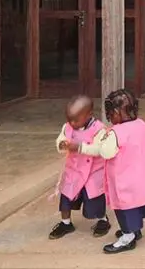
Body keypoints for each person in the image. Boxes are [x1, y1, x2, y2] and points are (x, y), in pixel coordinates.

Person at [66, 89, 145, 254]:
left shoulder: (117, 132)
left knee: (124, 208)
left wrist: (83, 146)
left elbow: (105, 152)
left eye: (109, 114)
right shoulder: (143, 125)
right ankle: (136, 231)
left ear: (116, 113)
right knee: (136, 206)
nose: (108, 118)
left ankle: (127, 237)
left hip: (124, 180)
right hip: (142, 177)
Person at [51, 95, 111, 239]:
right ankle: (65, 223)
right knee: (66, 198)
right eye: (69, 118)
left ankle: (102, 220)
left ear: (89, 115)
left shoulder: (99, 129)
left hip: (93, 173)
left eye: (76, 120)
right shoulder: (67, 127)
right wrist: (61, 144)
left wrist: (79, 147)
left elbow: (99, 150)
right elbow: (61, 138)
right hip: (74, 170)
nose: (72, 123)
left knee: (94, 199)